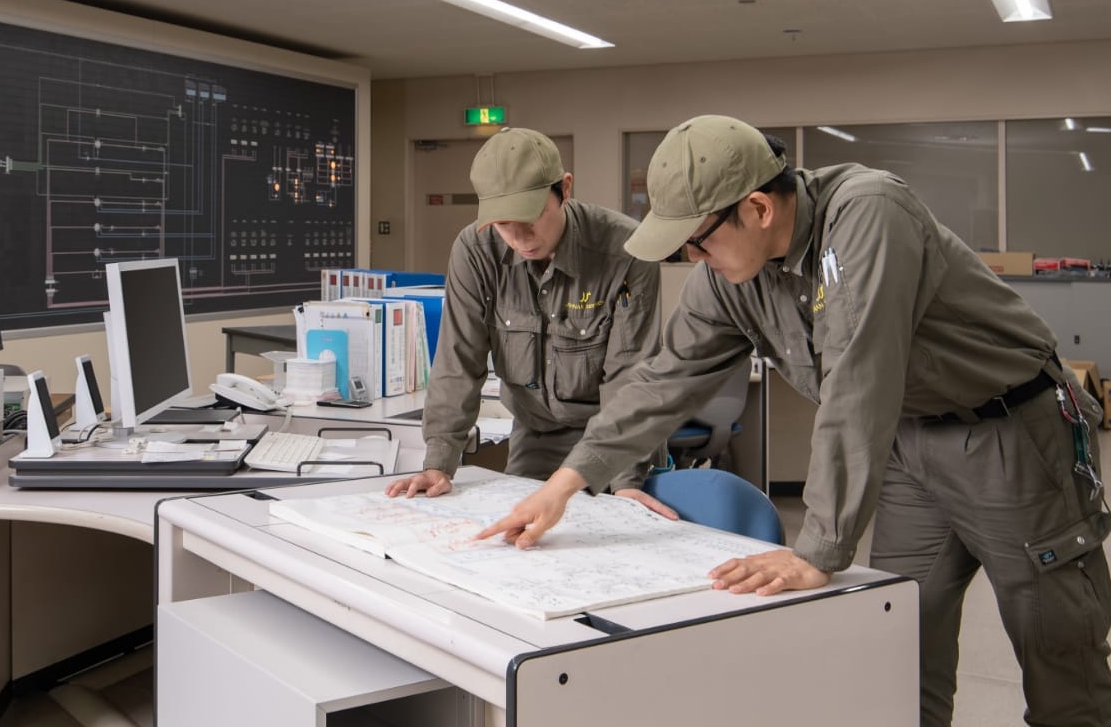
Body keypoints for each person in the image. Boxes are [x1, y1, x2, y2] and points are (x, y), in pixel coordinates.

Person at [476, 114, 1111, 727]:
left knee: (1061, 668)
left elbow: (858, 380)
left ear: (757, 208)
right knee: (898, 654)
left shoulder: (868, 214)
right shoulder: (730, 275)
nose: (693, 258)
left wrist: (819, 549)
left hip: (1013, 437)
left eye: (697, 239)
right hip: (910, 444)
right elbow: (662, 380)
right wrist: (564, 485)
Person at [385, 127, 666, 505]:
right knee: (519, 542)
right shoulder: (476, 251)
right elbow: (458, 361)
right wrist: (439, 463)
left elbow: (630, 375)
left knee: (617, 539)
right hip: (537, 436)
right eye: (503, 225)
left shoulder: (626, 250)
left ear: (565, 188)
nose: (520, 238)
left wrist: (627, 482)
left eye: (531, 217)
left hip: (618, 442)